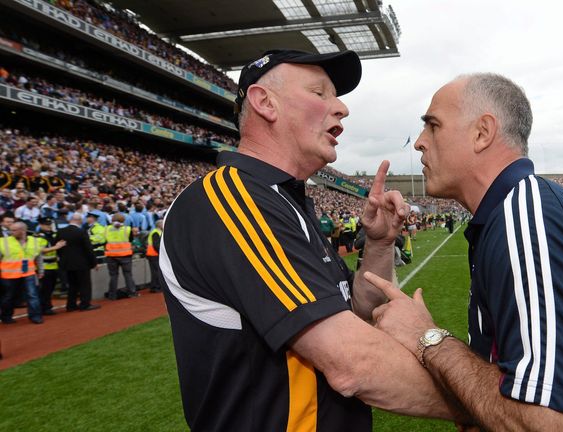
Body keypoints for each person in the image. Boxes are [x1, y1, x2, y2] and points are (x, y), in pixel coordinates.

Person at [160, 49, 461, 431]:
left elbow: (352, 317)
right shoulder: (232, 198)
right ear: (264, 102)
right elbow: (353, 362)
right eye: (320, 94)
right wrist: (483, 406)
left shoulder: (283, 200)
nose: (342, 108)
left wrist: (380, 245)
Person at [366, 73, 563, 431]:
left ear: (482, 132)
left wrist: (428, 339)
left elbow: (549, 425)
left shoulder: (524, 213)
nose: (419, 143)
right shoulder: (510, 211)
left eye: (433, 126)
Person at [0, 222, 44, 324]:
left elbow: (39, 257)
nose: (11, 232)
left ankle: (35, 316)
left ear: (22, 231)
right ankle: (6, 316)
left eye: (14, 230)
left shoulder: (34, 241)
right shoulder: (3, 242)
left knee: (32, 295)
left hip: (28, 273)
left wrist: (41, 271)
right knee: (8, 296)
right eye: (11, 230)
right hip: (9, 275)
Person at [56, 213, 99, 311]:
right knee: (85, 284)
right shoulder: (81, 232)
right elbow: (88, 248)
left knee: (72, 284)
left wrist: (63, 257)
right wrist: (94, 262)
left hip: (67, 263)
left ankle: (71, 305)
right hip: (82, 263)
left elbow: (58, 246)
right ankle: (85, 304)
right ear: (79, 221)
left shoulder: (61, 231)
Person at [36, 217, 66, 315]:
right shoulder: (38, 236)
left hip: (53, 265)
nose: (48, 226)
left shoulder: (52, 235)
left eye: (49, 224)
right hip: (44, 267)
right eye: (46, 224)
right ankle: (44, 308)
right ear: (40, 225)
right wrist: (56, 247)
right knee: (44, 289)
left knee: (50, 289)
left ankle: (47, 306)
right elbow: (40, 250)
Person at [104, 213, 136, 299]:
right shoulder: (127, 229)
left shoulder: (107, 229)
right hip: (125, 255)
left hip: (111, 255)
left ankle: (112, 295)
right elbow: (131, 239)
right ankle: (132, 293)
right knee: (128, 275)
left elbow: (104, 240)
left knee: (113, 276)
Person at [145, 219, 162, 293]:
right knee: (156, 271)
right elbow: (156, 245)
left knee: (156, 271)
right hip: (154, 254)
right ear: (160, 225)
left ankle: (155, 286)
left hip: (153, 254)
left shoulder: (157, 231)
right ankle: (155, 287)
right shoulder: (156, 232)